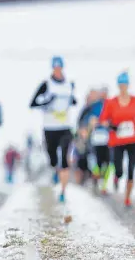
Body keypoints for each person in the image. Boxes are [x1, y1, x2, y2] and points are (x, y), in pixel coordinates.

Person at [29, 56, 77, 202]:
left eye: (59, 67)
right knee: (53, 158)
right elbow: (32, 104)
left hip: (65, 127)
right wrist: (48, 101)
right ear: (52, 68)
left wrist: (72, 101)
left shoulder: (69, 84)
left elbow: (73, 101)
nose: (57, 70)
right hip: (49, 128)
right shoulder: (46, 84)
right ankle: (55, 170)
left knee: (64, 157)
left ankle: (63, 191)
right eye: (55, 68)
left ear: (62, 68)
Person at [99, 71, 135, 207]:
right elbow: (102, 120)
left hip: (132, 140)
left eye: (125, 85)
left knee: (131, 168)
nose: (123, 87)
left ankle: (127, 198)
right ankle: (116, 177)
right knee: (119, 169)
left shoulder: (134, 101)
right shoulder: (111, 103)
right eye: (121, 85)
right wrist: (110, 125)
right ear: (118, 86)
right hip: (117, 141)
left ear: (128, 85)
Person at [88, 86, 111, 194]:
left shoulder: (111, 104)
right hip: (97, 137)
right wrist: (100, 122)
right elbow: (92, 121)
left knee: (108, 162)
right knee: (98, 161)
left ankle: (104, 185)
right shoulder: (95, 105)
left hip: (108, 138)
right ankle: (96, 179)